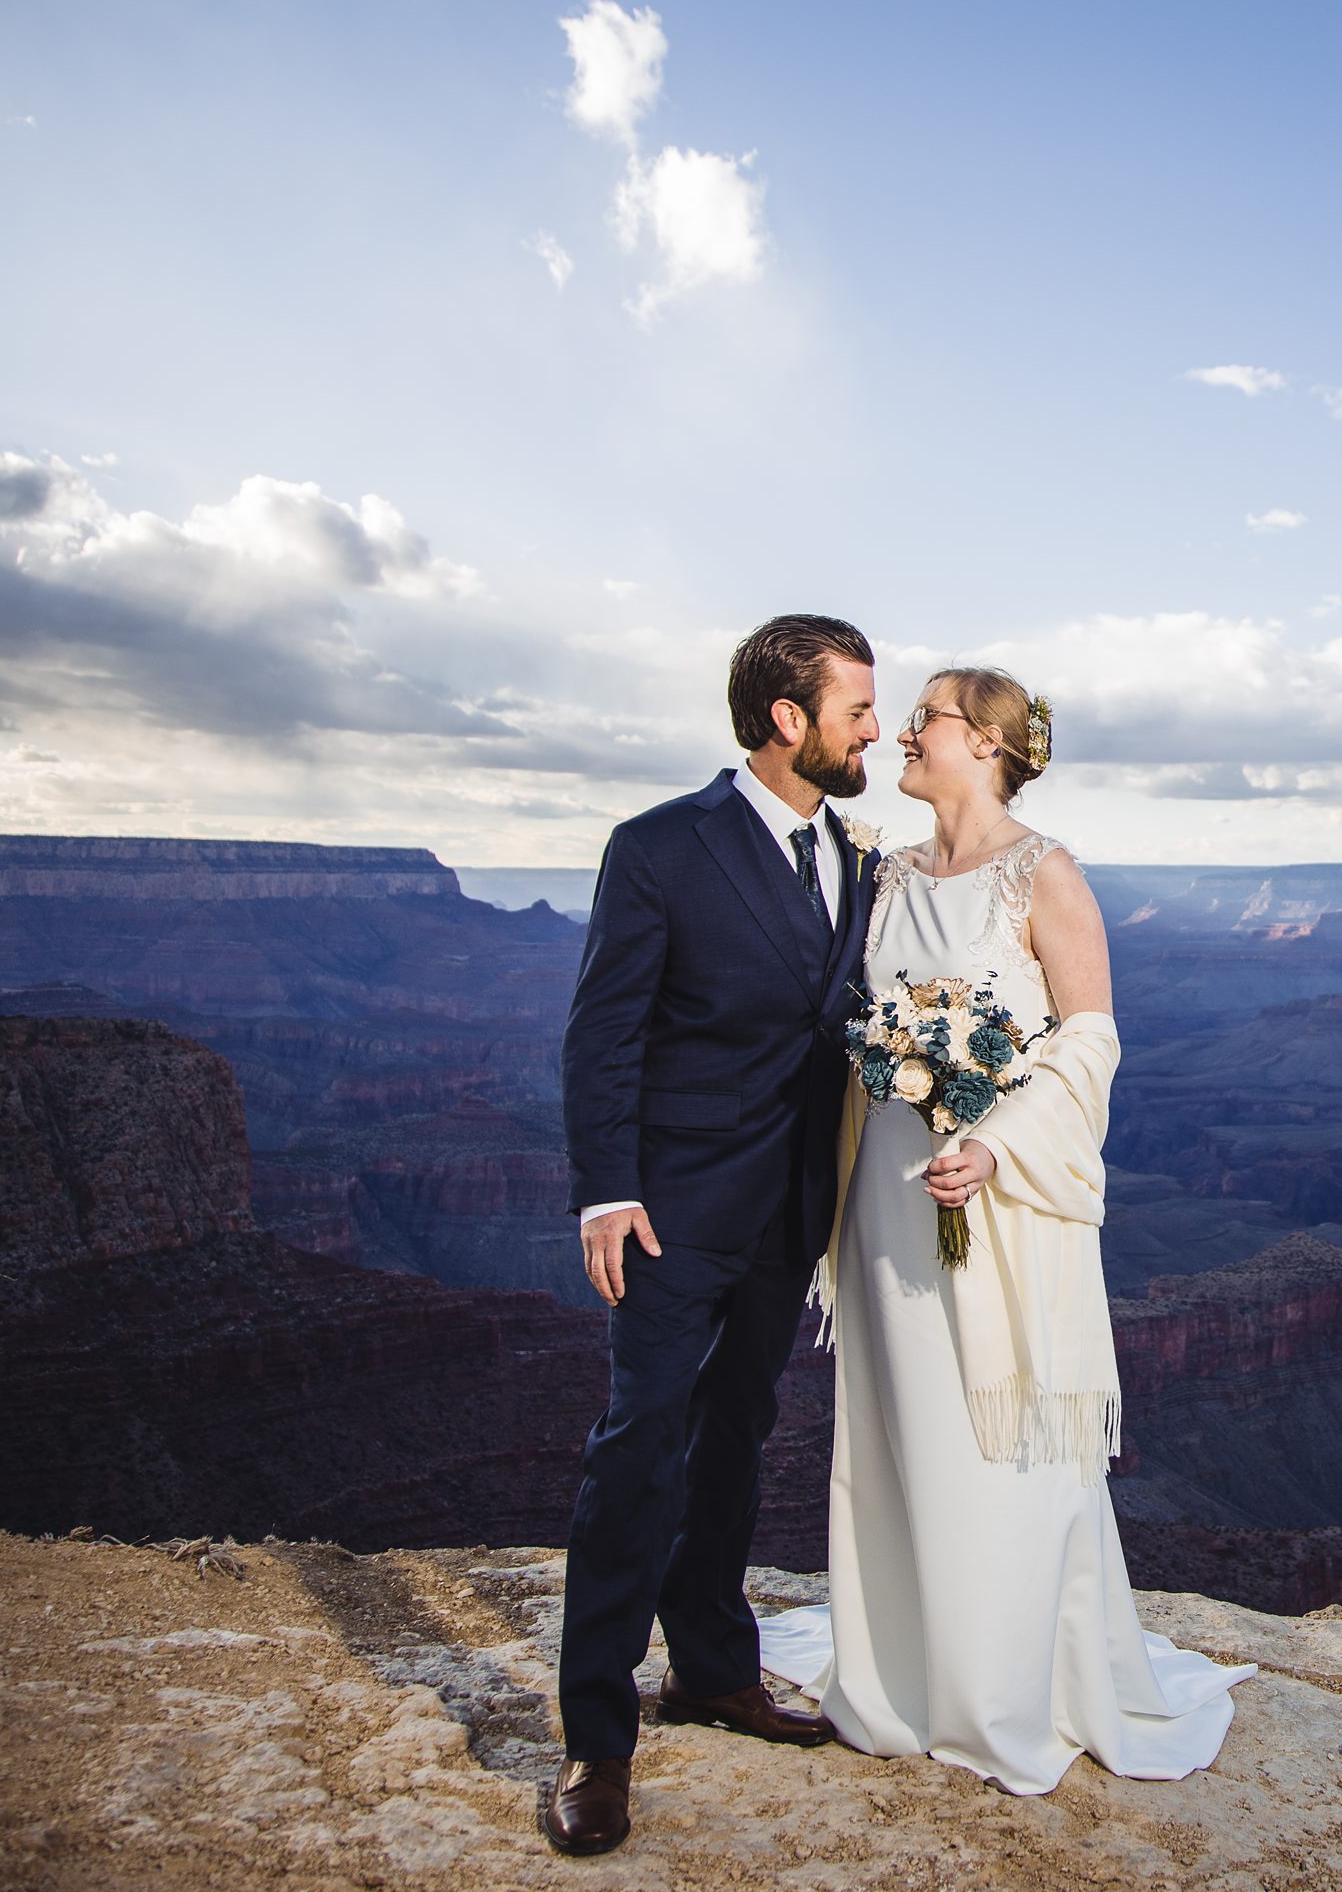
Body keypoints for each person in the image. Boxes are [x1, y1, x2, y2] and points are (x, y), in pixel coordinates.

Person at [754, 666, 1255, 1794]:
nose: (898, 735)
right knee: (898, 1420)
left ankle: (1000, 1688)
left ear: (981, 742)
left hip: (997, 1193)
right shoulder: (880, 876)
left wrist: (995, 1140)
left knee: (995, 1426)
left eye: (921, 717)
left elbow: (1089, 1041)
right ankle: (901, 1673)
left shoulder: (1046, 873)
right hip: (885, 1191)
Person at [543, 615, 885, 1857]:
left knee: (740, 1433)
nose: (875, 729)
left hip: (792, 1209)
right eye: (857, 706)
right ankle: (594, 1734)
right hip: (673, 1210)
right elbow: (603, 1030)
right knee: (638, 1444)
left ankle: (710, 1667)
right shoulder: (660, 847)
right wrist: (604, 1189)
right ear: (788, 718)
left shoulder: (851, 851)